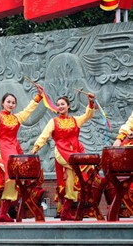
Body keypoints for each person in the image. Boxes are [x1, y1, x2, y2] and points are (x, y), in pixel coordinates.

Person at [0, 85, 44, 222]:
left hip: (14, 149)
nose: (10, 104)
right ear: (2, 103)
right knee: (11, 177)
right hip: (2, 148)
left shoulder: (17, 118)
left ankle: (4, 212)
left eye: (13, 103)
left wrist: (38, 96)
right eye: (8, 102)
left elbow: (29, 110)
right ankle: (4, 212)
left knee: (15, 179)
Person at [31, 93, 95, 221]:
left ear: (68, 106)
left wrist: (91, 102)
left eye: (63, 104)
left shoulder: (75, 120)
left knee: (71, 181)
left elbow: (88, 115)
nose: (60, 106)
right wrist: (35, 148)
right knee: (86, 166)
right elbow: (45, 135)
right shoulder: (53, 122)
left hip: (74, 153)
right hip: (61, 152)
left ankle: (65, 211)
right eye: (58, 105)